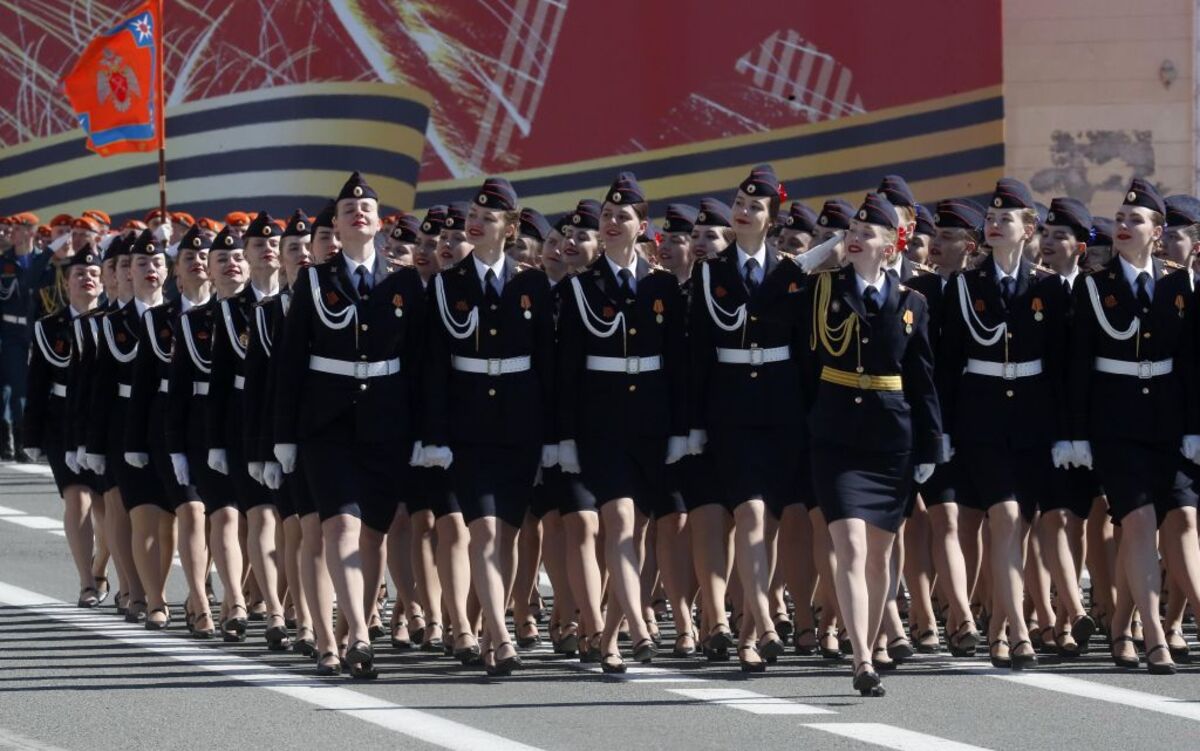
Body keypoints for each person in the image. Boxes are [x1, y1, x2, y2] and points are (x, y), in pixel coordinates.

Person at [274, 172, 426, 679]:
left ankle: (347, 633)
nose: (358, 213)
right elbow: (291, 361)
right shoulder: (315, 280)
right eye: (346, 210)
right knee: (338, 524)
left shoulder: (403, 281)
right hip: (327, 422)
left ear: (379, 222)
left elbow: (420, 364)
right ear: (336, 226)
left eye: (366, 208)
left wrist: (427, 432)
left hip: (387, 422)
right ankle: (356, 633)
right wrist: (284, 436)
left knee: (374, 536)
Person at [801, 191, 942, 696]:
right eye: (852, 229)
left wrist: (931, 446)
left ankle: (875, 637)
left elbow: (923, 379)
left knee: (880, 557)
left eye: (868, 231)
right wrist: (818, 254)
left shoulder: (912, 302)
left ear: (891, 245)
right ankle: (862, 658)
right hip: (836, 437)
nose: (855, 236)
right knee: (851, 547)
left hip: (891, 440)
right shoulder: (823, 289)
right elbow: (771, 300)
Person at [419, 177, 553, 676]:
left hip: (519, 422)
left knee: (509, 535)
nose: (475, 222)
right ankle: (497, 634)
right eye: (474, 214)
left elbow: (547, 364)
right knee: (482, 530)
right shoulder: (447, 285)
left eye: (488, 217)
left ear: (511, 227)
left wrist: (554, 435)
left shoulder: (531, 283)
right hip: (467, 422)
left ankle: (497, 624)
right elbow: (434, 366)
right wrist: (434, 437)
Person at [937, 177, 1071, 670]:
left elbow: (1062, 366)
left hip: (1032, 418)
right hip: (982, 417)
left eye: (1004, 219)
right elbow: (947, 364)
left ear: (1027, 228)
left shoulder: (1048, 288)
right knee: (1005, 519)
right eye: (990, 219)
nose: (994, 224)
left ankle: (997, 623)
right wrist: (945, 430)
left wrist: (1065, 431)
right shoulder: (964, 287)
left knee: (1020, 527)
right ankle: (1018, 633)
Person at [1070, 179, 1199, 675]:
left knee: (1184, 521)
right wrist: (1077, 433)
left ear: (1158, 232)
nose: (1123, 227)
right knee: (1140, 523)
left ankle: (1129, 625)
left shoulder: (1176, 285)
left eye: (1135, 221)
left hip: (1169, 423)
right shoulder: (1095, 287)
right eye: (1120, 220)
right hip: (1116, 424)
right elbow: (1079, 363)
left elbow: (1189, 363)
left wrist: (1193, 426)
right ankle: (1152, 635)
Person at [556, 173, 684, 672]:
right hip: (600, 420)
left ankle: (608, 639)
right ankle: (636, 623)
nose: (611, 223)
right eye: (607, 216)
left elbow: (678, 364)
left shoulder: (662, 287)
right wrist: (563, 437)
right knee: (620, 523)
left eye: (622, 217)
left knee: (639, 532)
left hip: (650, 419)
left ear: (641, 226)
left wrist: (681, 429)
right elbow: (566, 370)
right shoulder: (580, 290)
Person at [687, 164, 807, 671]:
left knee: (771, 522)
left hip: (780, 405)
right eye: (739, 202)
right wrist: (692, 423)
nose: (743, 211)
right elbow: (697, 350)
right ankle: (761, 620)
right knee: (749, 514)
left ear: (771, 218)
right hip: (731, 404)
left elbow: (803, 348)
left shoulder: (791, 270)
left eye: (755, 206)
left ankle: (751, 633)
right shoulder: (710, 271)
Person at [906, 198, 986, 658]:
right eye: (935, 234)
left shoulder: (979, 289)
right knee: (926, 521)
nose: (936, 242)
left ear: (970, 246)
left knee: (954, 520)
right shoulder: (916, 289)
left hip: (967, 418)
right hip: (922, 417)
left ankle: (957, 614)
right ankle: (930, 613)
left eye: (949, 236)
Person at [209, 211, 288, 650]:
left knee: (291, 519)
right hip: (246, 419)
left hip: (295, 416)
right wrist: (217, 441)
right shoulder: (231, 310)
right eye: (257, 246)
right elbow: (220, 381)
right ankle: (272, 608)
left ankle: (290, 603)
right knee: (260, 513)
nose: (267, 251)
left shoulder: (303, 297)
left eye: (272, 245)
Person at [88, 229, 173, 629]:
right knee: (130, 509)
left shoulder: (181, 317)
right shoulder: (113, 324)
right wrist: (92, 442)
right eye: (139, 263)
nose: (149, 270)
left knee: (175, 513)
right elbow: (100, 386)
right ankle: (136, 589)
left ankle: (173, 588)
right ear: (126, 273)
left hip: (173, 418)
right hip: (123, 421)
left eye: (157, 263)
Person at [1036, 197, 1101, 657]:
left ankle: (1064, 615)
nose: (1051, 242)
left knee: (1078, 521)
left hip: (1093, 423)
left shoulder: (1095, 290)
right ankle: (1069, 612)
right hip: (1041, 419)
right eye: (1047, 234)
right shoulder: (1031, 289)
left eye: (1061, 236)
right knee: (1053, 517)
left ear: (1080, 247)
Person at [24, 246, 106, 606]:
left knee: (109, 506)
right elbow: (37, 383)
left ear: (103, 283)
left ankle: (101, 564)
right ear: (67, 283)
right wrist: (32, 434)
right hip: (61, 419)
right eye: (79, 275)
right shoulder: (50, 327)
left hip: (103, 418)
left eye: (93, 274)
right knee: (78, 498)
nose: (86, 279)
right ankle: (86, 581)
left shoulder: (113, 323)